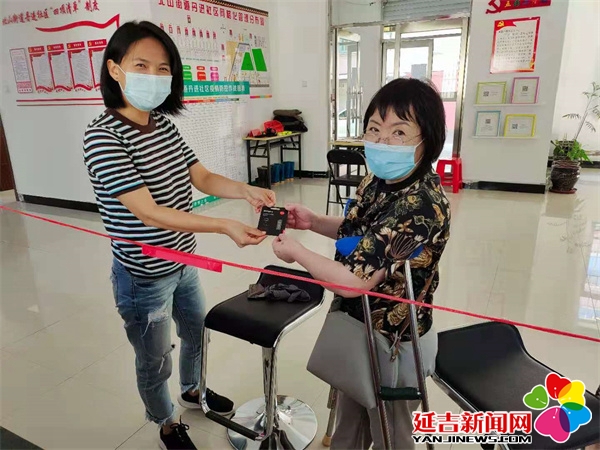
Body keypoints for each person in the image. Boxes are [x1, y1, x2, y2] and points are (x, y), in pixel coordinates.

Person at [83, 21, 275, 450]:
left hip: (183, 262)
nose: (153, 76)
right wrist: (224, 225)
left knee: (196, 332)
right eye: (141, 65)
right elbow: (148, 212)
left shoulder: (164, 126)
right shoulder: (103, 136)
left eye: (163, 68)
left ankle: (193, 390)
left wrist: (244, 189)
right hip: (143, 276)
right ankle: (166, 422)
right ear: (115, 69)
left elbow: (201, 177)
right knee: (155, 358)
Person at [272, 78, 451, 449]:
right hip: (359, 327)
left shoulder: (421, 203)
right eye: (374, 128)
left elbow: (354, 281)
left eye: (399, 132)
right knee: (351, 420)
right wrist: (313, 222)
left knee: (390, 431)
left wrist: (298, 252)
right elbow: (361, 233)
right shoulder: (378, 179)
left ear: (428, 140)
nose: (382, 141)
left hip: (393, 337)